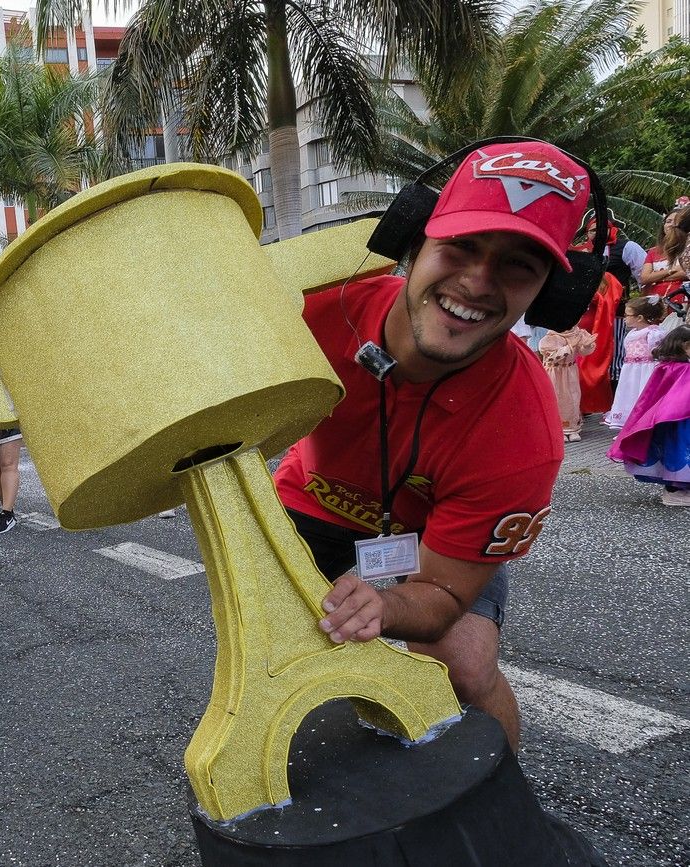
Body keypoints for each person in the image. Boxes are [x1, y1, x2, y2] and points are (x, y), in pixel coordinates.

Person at [275, 140, 596, 749]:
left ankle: (502, 808)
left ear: (548, 297)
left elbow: (445, 593)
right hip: (309, 501)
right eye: (460, 248)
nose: (477, 283)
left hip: (432, 543)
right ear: (411, 245)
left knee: (466, 669)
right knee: (273, 647)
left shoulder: (524, 434)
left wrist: (387, 608)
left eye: (518, 267)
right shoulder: (311, 311)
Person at [609, 325, 690, 506]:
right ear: (685, 346)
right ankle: (677, 491)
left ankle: (675, 489)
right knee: (680, 455)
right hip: (679, 421)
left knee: (674, 455)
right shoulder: (682, 369)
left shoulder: (667, 366)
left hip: (671, 420)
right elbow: (682, 397)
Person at [604, 295, 666, 429]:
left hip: (645, 372)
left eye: (627, 315)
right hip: (631, 372)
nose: (625, 318)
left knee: (642, 396)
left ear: (639, 318)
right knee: (629, 395)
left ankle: (643, 426)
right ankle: (629, 426)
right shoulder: (632, 332)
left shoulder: (653, 333)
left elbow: (657, 354)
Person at [539, 327, 596, 442]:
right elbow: (552, 357)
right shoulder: (550, 337)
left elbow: (583, 351)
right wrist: (570, 347)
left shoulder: (577, 333)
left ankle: (572, 428)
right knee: (557, 398)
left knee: (572, 398)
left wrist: (586, 346)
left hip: (570, 371)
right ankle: (558, 429)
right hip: (554, 372)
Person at [638, 209, 690, 298]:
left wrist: (656, 277)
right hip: (655, 301)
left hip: (682, 298)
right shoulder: (653, 251)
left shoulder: (687, 248)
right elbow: (644, 278)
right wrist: (672, 270)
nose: (672, 225)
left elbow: (686, 272)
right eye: (668, 221)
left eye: (676, 221)